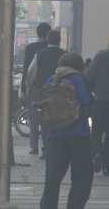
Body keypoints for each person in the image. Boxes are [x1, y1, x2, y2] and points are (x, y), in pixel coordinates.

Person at [40, 53, 93, 209]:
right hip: (79, 135)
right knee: (81, 177)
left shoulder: (51, 80)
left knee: (52, 179)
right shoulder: (78, 79)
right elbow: (86, 104)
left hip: (54, 135)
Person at [27, 29, 65, 157]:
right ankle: (50, 147)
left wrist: (30, 88)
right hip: (59, 91)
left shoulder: (39, 54)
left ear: (47, 40)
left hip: (41, 90)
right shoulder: (64, 55)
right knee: (55, 120)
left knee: (39, 119)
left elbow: (31, 72)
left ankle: (37, 147)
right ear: (59, 41)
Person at [22, 22, 51, 156]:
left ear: (38, 33)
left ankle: (34, 147)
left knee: (33, 119)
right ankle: (46, 146)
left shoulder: (30, 48)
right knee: (47, 119)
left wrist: (24, 88)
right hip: (51, 89)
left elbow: (27, 70)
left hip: (34, 88)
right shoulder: (53, 49)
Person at [87, 46, 109, 175]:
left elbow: (89, 77)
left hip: (100, 102)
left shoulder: (100, 56)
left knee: (96, 132)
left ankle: (96, 153)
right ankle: (107, 164)